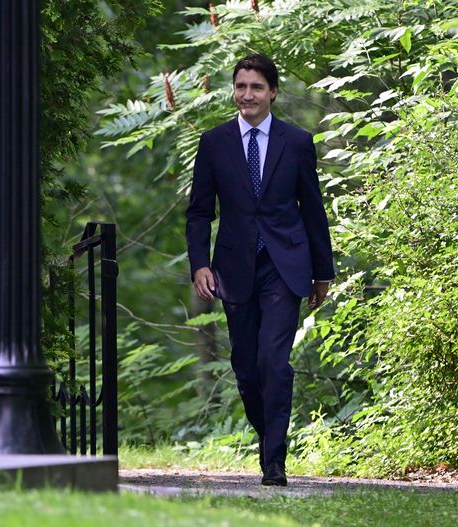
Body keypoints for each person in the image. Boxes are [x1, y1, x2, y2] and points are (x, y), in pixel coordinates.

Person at [186, 54, 335, 486]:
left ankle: (274, 462)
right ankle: (267, 435)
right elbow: (199, 213)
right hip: (234, 268)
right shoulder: (214, 143)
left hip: (284, 265)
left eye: (255, 87)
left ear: (272, 92)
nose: (246, 95)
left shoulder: (296, 142)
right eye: (240, 86)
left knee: (274, 362)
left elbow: (313, 209)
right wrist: (199, 264)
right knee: (247, 369)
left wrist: (322, 273)